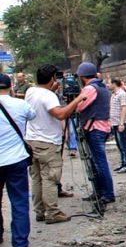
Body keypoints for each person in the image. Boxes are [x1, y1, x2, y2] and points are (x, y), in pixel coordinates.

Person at [25, 65, 85, 225]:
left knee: (37, 178)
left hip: (32, 140)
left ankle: (39, 211)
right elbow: (60, 114)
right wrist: (77, 99)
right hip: (48, 142)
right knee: (50, 178)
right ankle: (52, 212)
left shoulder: (31, 91)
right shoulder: (49, 96)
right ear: (52, 78)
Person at [0, 73, 36, 247]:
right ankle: (21, 242)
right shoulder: (21, 105)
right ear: (11, 87)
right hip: (16, 160)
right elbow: (32, 115)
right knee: (19, 201)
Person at [74, 62, 115, 205]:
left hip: (94, 128)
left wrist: (74, 100)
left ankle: (107, 193)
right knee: (96, 162)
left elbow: (79, 107)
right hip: (102, 127)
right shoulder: (102, 86)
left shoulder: (90, 89)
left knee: (99, 163)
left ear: (82, 76)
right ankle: (100, 192)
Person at [109, 79, 126, 173]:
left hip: (121, 123)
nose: (108, 85)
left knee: (123, 144)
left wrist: (121, 123)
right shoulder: (113, 95)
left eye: (110, 83)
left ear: (114, 84)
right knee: (119, 144)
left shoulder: (122, 94)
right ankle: (123, 163)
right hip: (114, 122)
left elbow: (124, 108)